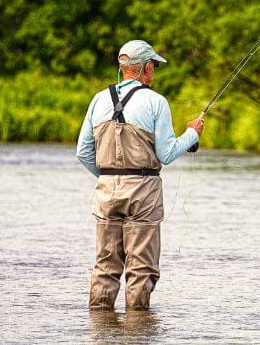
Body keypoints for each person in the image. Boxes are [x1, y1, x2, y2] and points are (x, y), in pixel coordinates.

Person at [76, 40, 205, 310]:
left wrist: (108, 178)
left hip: (105, 191)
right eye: (154, 66)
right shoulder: (156, 102)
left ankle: (101, 331)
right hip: (143, 191)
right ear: (145, 68)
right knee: (141, 271)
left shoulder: (99, 99)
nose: (154, 72)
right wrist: (192, 133)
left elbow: (83, 153)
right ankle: (138, 332)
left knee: (105, 267)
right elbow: (167, 153)